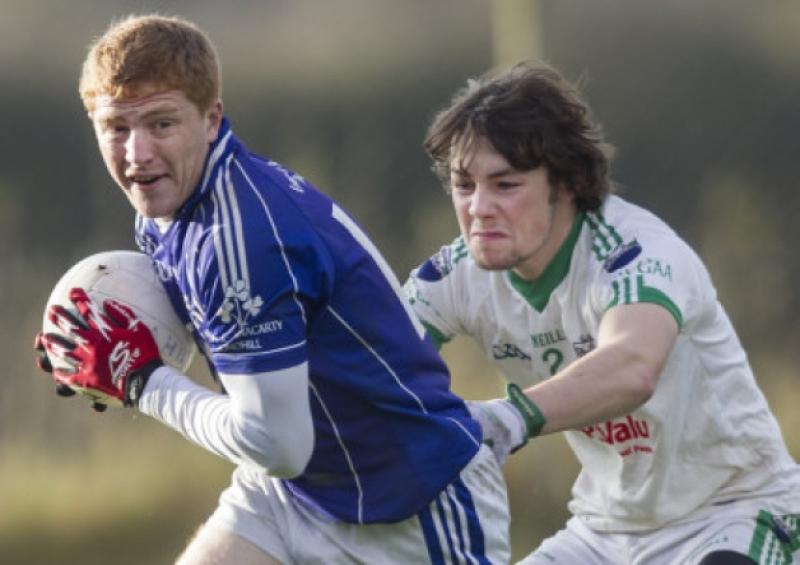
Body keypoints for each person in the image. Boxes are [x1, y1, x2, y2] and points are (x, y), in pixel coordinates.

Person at [33, 14, 511, 565]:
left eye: (162, 124)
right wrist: (86, 337)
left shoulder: (239, 239)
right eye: (117, 127)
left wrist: (140, 380)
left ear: (211, 119)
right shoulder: (172, 204)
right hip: (296, 492)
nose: (137, 154)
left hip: (412, 503)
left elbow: (278, 444)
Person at [404, 60, 800, 564]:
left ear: (566, 183)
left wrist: (507, 418)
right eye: (464, 186)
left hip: (734, 514)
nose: (479, 207)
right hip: (604, 533)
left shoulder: (636, 253)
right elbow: (367, 358)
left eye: (505, 185)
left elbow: (633, 367)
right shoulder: (454, 277)